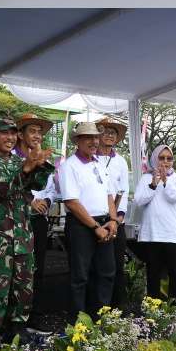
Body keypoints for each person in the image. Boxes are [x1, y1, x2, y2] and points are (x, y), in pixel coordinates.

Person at [0, 116, 54, 342]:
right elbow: (0, 189)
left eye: (13, 133)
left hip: (21, 235)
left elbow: (37, 185)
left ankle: (17, 326)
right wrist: (28, 167)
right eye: (4, 133)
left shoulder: (18, 161)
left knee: (23, 283)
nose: (10, 138)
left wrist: (39, 164)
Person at [59, 122, 118, 322]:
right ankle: (78, 323)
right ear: (77, 141)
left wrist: (112, 220)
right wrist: (94, 227)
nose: (94, 141)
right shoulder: (69, 166)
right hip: (81, 226)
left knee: (106, 273)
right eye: (88, 138)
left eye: (95, 137)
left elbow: (110, 195)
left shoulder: (99, 164)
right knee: (80, 277)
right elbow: (72, 202)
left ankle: (100, 319)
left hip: (104, 222)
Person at [12, 113, 56, 331]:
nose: (37, 135)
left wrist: (46, 200)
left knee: (37, 269)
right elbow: (11, 185)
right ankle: (14, 320)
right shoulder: (12, 157)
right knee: (15, 271)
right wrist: (31, 200)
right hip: (16, 222)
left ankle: (34, 318)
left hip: (39, 220)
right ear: (20, 134)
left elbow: (52, 189)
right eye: (32, 131)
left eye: (40, 132)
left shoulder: (44, 158)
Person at [134, 145, 176, 302]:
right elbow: (139, 201)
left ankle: (175, 312)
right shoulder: (145, 178)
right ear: (154, 159)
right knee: (153, 275)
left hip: (173, 235)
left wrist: (165, 181)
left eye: (169, 158)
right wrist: (153, 184)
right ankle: (153, 312)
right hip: (152, 235)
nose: (165, 161)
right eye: (161, 157)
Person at [95, 117, 130, 309]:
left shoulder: (121, 161)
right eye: (105, 131)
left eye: (113, 133)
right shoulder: (91, 158)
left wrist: (117, 217)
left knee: (117, 264)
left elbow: (123, 190)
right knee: (98, 265)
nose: (109, 135)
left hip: (117, 219)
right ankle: (98, 306)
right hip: (96, 219)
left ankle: (119, 305)